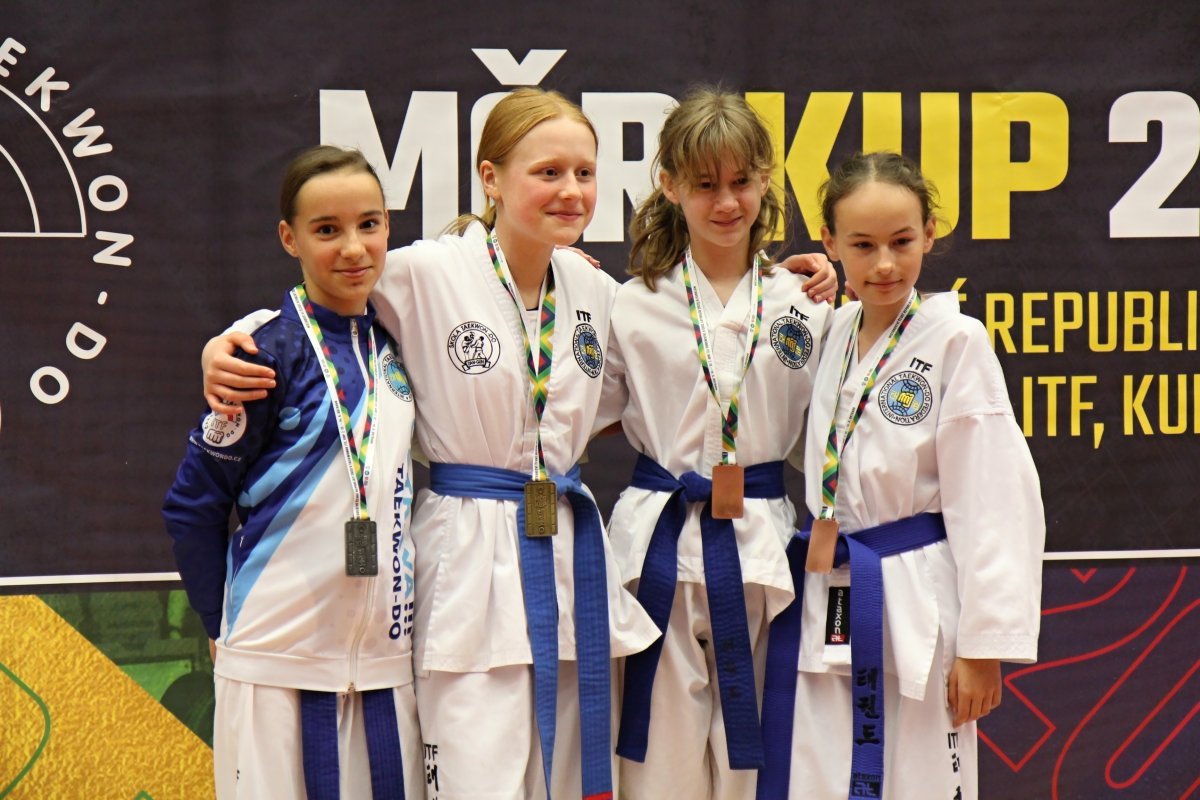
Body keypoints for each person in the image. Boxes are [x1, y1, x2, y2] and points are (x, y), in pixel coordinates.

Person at [200, 88, 838, 799]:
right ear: (491, 177)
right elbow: (324, 300)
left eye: (584, 173)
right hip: (468, 557)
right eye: (548, 172)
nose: (571, 191)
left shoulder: (593, 289)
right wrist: (228, 343)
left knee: (567, 778)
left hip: (566, 553)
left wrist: (801, 278)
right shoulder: (426, 271)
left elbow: (678, 371)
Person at [757, 151, 1045, 800]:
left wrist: (982, 646)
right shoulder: (832, 331)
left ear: (930, 235)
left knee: (918, 776)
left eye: (902, 242)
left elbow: (993, 496)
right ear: (830, 243)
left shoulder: (955, 340)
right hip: (833, 582)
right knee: (823, 774)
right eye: (862, 245)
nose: (884, 263)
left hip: (918, 593)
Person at [162, 145, 422, 799]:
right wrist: (219, 625)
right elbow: (193, 504)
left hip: (383, 664)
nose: (353, 248)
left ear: (388, 226)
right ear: (290, 238)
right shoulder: (263, 354)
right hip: (274, 661)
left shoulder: (399, 340)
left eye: (368, 224)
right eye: (327, 230)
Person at [595, 87, 833, 799]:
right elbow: (574, 412)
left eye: (741, 182)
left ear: (766, 181)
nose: (727, 202)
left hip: (762, 549)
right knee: (656, 771)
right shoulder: (631, 303)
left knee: (752, 768)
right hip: (656, 549)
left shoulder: (806, 305)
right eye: (705, 185)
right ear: (670, 186)